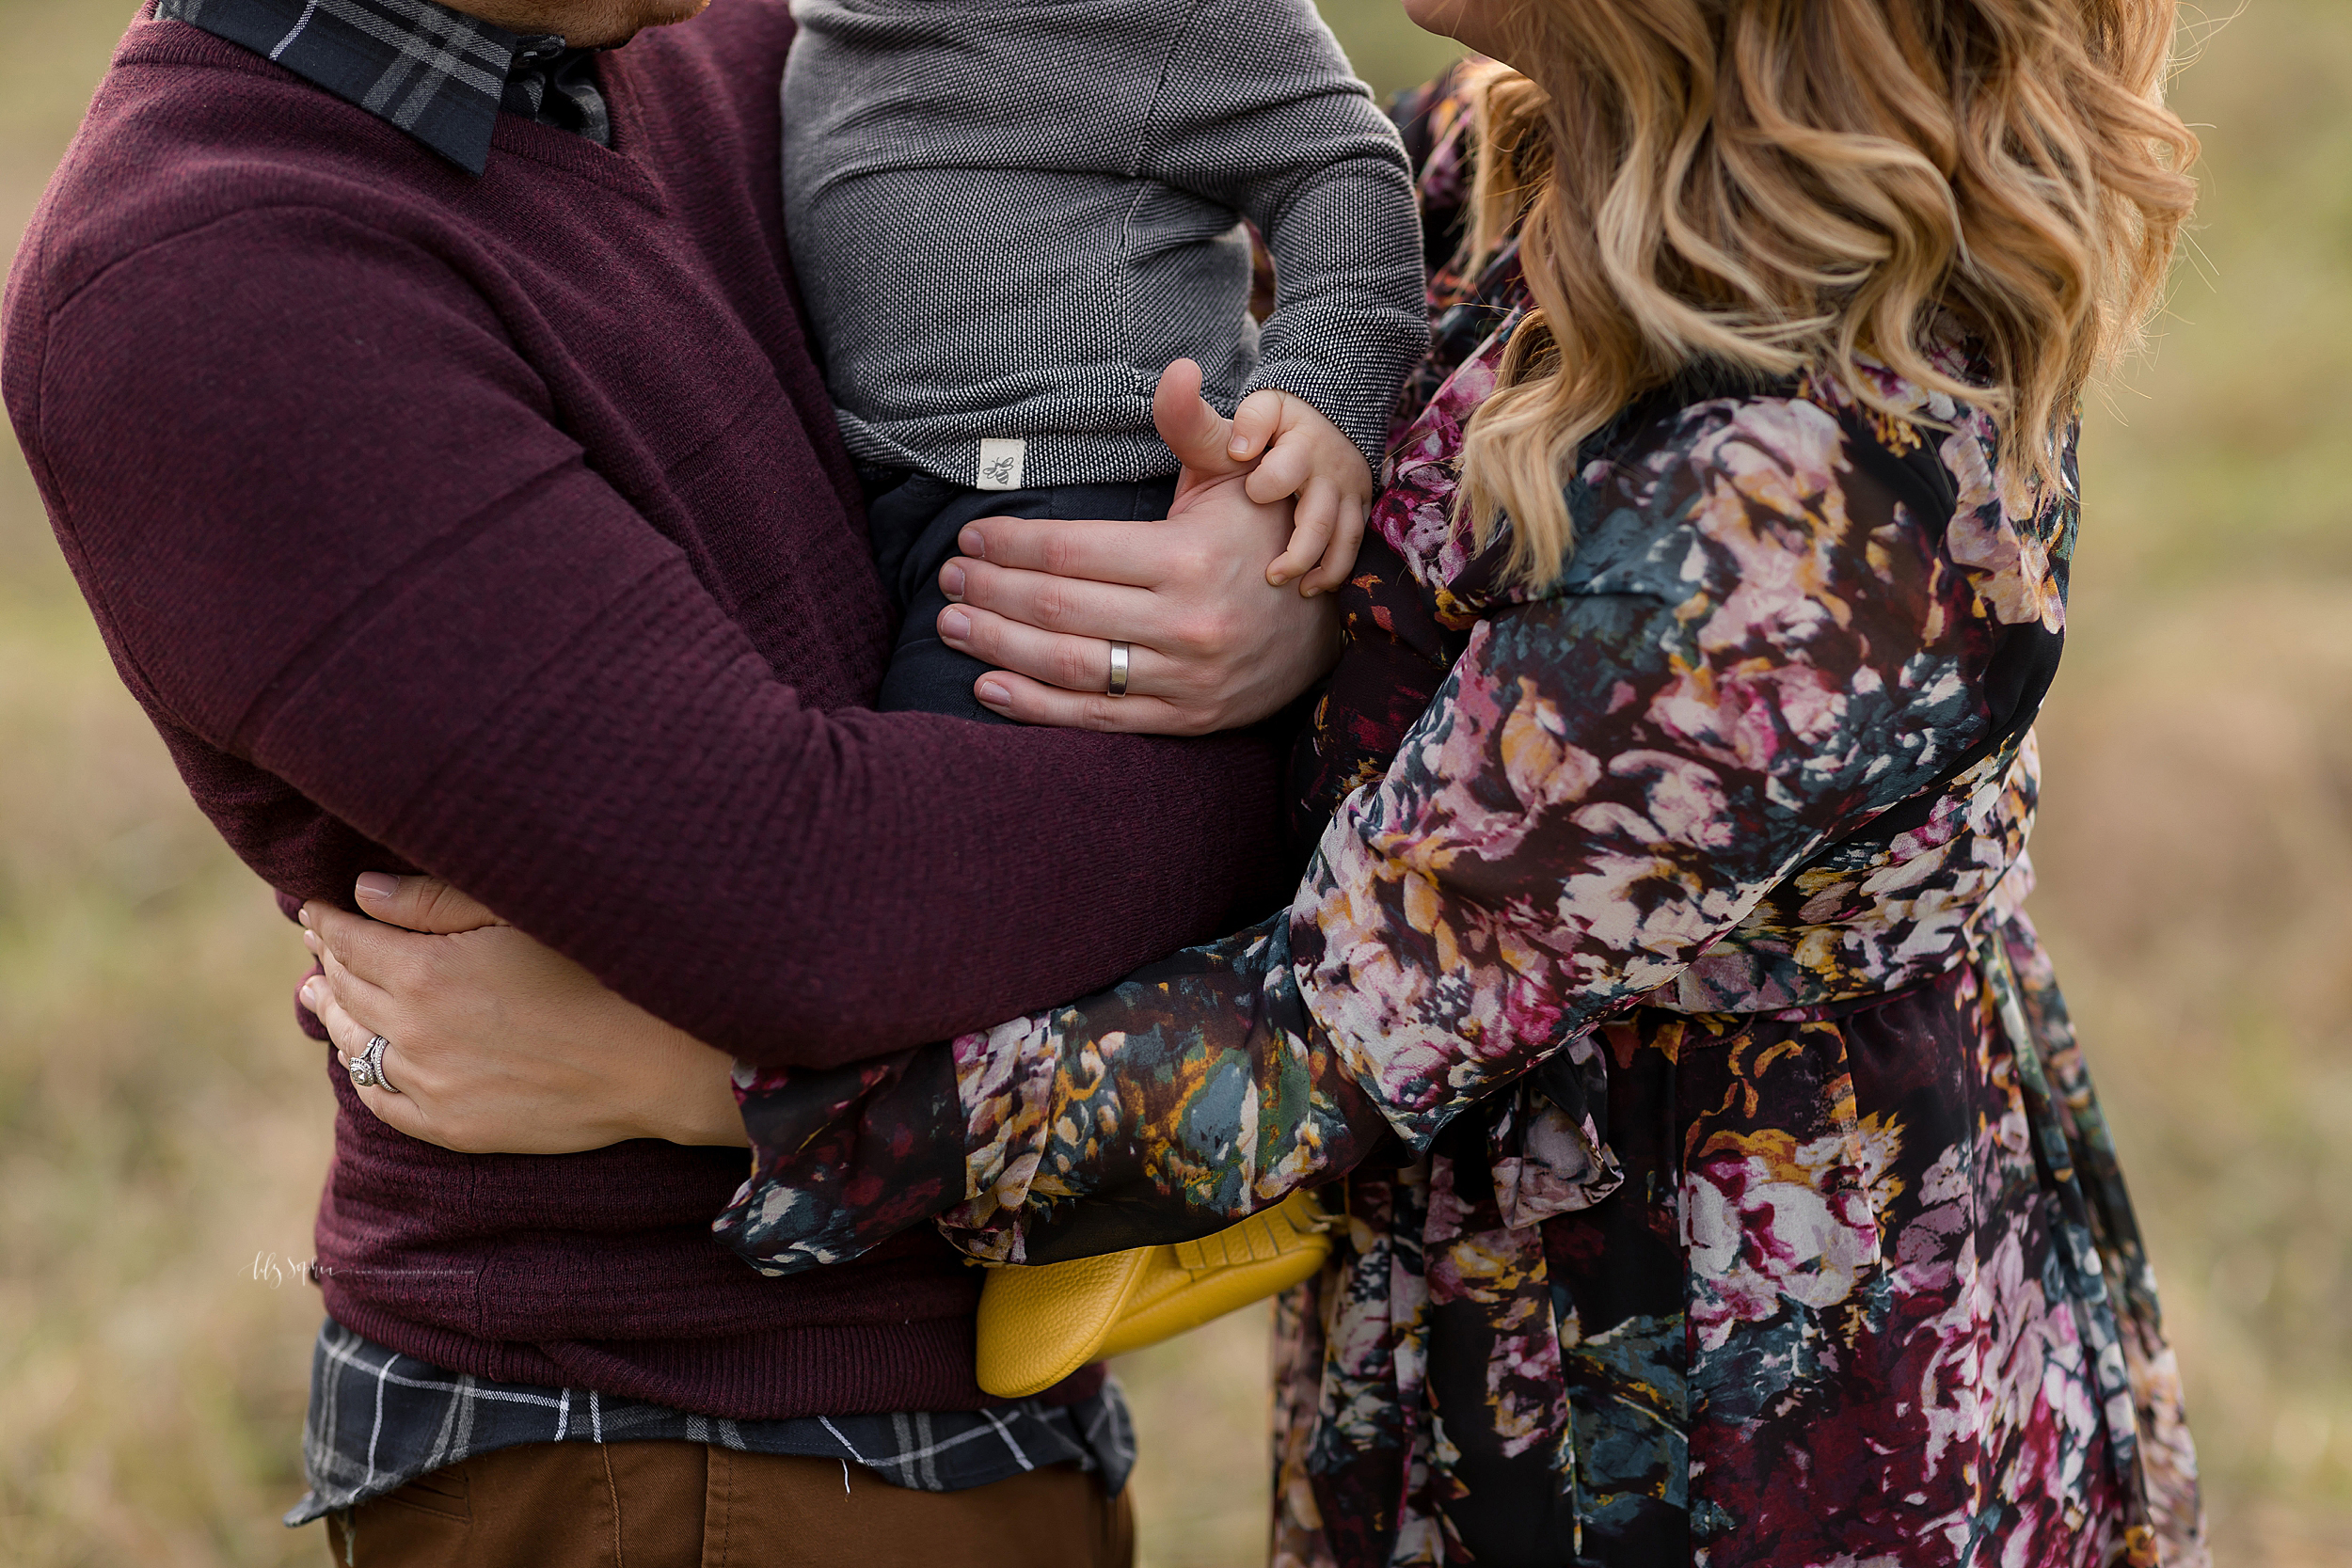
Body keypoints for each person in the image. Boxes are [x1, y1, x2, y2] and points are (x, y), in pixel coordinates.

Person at [299, 0, 2218, 1561]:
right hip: (1468, 1309)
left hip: (1737, 1403)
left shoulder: (1812, 496)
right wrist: (1284, 566)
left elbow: (1323, 1033)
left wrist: (691, 1085)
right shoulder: (1528, 145)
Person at [1, 0, 1345, 1562]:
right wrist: (1311, 749)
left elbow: (1125, 307)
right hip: (667, 1447)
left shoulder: (705, 43)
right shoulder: (202, 280)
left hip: (942, 1392)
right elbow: (817, 911)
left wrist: (1272, 593)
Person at [786, 0, 1427, 721]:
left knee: (944, 796)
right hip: (911, 493)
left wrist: (1323, 389)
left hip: (1093, 495)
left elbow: (1337, 163)